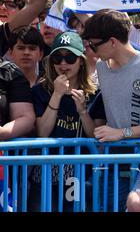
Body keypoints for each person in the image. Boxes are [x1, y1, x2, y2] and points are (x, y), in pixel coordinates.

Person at [81, 9, 140, 212]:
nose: (91, 49)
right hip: (116, 157)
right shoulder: (101, 67)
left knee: (136, 203)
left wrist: (121, 133)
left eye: (94, 45)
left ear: (113, 42)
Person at [28, 31, 104, 211]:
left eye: (70, 57)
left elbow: (96, 136)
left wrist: (83, 111)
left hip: (79, 173)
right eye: (57, 58)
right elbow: (42, 133)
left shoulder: (96, 93)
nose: (63, 64)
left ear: (81, 60)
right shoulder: (41, 90)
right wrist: (57, 94)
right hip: (46, 171)